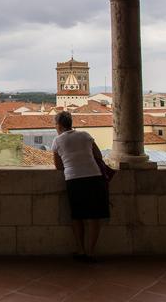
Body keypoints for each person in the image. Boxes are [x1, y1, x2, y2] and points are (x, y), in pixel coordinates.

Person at [52, 110, 110, 262]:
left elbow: (58, 166)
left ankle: (80, 250)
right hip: (94, 177)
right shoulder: (85, 135)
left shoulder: (57, 141)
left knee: (77, 216)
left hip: (74, 179)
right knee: (94, 217)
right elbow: (98, 155)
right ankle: (91, 252)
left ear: (58, 125)